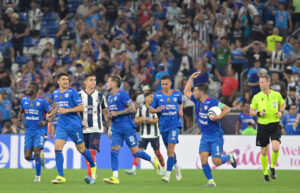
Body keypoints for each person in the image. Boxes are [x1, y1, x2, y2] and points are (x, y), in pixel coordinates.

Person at [103, 74, 159, 185]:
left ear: (114, 83)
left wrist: (117, 113)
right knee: (113, 151)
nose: (107, 84)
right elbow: (112, 113)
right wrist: (109, 119)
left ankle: (153, 161)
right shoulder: (109, 98)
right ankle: (115, 177)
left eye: (108, 82)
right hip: (116, 129)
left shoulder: (122, 94)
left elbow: (132, 108)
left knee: (136, 153)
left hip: (127, 127)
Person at [184, 72, 237, 187]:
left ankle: (229, 157)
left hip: (215, 135)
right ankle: (211, 181)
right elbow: (186, 92)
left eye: (195, 90)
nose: (193, 92)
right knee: (203, 157)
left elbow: (227, 109)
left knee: (216, 162)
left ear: (201, 92)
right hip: (205, 135)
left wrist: (218, 117)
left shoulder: (213, 102)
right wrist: (190, 78)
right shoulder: (197, 100)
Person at [49, 72, 97, 184]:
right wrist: (52, 113)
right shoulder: (55, 93)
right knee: (57, 148)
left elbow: (81, 107)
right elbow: (57, 106)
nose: (66, 81)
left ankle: (93, 165)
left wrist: (67, 110)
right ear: (58, 81)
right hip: (62, 125)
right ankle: (60, 176)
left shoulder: (72, 92)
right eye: (63, 79)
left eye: (67, 79)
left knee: (81, 149)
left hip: (74, 126)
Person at [250, 74, 286, 182]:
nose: (260, 84)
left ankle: (273, 166)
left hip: (275, 124)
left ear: (268, 83)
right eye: (260, 82)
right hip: (262, 126)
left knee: (275, 148)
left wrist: (281, 112)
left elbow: (283, 104)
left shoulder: (276, 94)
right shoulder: (256, 96)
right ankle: (265, 172)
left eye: (262, 82)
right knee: (264, 152)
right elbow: (251, 112)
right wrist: (258, 113)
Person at [150, 75, 183, 183]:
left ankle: (167, 175)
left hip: (175, 125)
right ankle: (177, 166)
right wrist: (156, 109)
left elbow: (180, 103)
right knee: (170, 152)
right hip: (163, 127)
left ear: (170, 84)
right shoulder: (157, 95)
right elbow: (151, 109)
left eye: (166, 84)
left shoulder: (177, 94)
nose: (164, 86)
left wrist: (180, 110)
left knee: (171, 150)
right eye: (162, 84)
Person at [18, 82, 52, 182]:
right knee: (27, 157)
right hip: (28, 131)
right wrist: (19, 120)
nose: (26, 89)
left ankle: (37, 177)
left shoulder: (43, 101)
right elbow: (21, 110)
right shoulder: (24, 100)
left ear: (34, 90)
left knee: (37, 151)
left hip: (39, 131)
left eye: (28, 88)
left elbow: (52, 114)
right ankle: (39, 159)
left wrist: (45, 121)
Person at [78, 74, 109, 184]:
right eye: (91, 80)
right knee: (86, 153)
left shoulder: (100, 95)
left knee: (92, 152)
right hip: (82, 129)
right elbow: (76, 111)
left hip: (96, 128)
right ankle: (92, 171)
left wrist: (109, 127)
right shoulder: (79, 95)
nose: (93, 82)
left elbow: (105, 112)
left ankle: (90, 175)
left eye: (94, 80)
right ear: (85, 82)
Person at [126, 92, 166, 175]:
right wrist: (141, 120)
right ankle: (133, 169)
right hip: (143, 134)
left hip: (154, 134)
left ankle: (164, 167)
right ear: (146, 98)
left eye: (152, 97)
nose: (152, 99)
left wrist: (146, 120)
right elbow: (136, 121)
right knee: (138, 151)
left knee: (157, 152)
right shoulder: (141, 108)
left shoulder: (155, 108)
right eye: (150, 97)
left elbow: (156, 120)